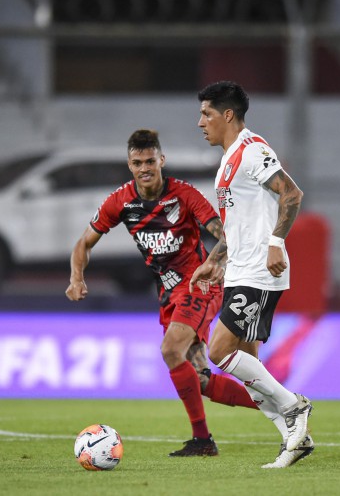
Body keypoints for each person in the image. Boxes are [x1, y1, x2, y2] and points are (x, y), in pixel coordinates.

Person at [66, 129, 261, 457]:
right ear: (129, 165)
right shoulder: (121, 201)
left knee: (171, 350)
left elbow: (224, 234)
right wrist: (76, 277)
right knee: (200, 380)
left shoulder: (184, 195)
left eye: (150, 161)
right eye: (137, 162)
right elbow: (84, 242)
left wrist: (214, 263)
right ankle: (279, 405)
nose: (145, 168)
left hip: (199, 284)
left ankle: (211, 435)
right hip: (169, 293)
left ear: (162, 161)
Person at [190, 81, 314, 469]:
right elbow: (236, 223)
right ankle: (295, 441)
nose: (200, 123)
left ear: (228, 115)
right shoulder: (228, 160)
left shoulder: (252, 149)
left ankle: (295, 406)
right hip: (239, 269)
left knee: (217, 351)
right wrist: (215, 260)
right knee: (249, 369)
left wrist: (276, 241)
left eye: (206, 114)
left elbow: (292, 194)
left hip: (261, 269)